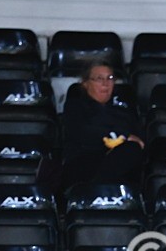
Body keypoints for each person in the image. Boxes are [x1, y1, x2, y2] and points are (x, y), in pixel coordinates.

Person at [60, 61, 145, 189]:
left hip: (122, 164)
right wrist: (123, 136)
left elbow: (139, 140)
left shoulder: (124, 112)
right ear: (85, 83)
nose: (105, 83)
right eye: (99, 79)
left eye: (110, 78)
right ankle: (92, 190)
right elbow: (82, 133)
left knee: (133, 150)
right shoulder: (75, 106)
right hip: (85, 163)